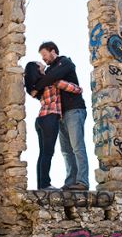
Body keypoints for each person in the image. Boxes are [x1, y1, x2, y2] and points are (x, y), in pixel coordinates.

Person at [31, 41, 89, 191]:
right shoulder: (50, 70)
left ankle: (82, 181)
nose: (44, 59)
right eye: (42, 57)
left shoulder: (65, 62)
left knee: (77, 146)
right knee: (65, 150)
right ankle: (71, 182)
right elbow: (48, 79)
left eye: (44, 55)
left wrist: (36, 87)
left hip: (74, 110)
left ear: (53, 51)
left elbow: (52, 78)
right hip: (60, 114)